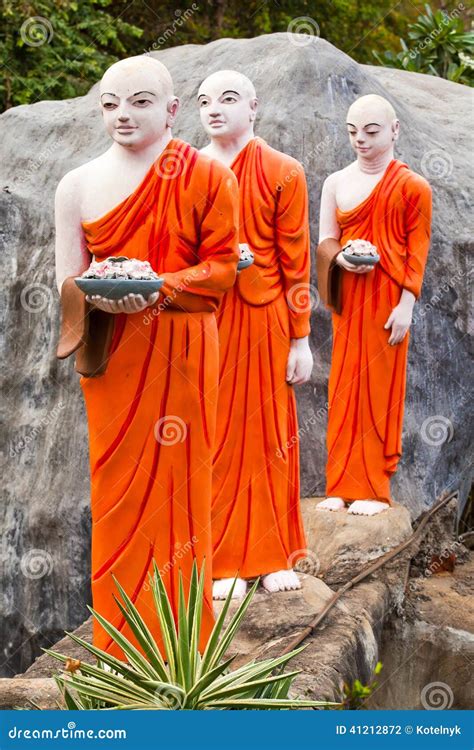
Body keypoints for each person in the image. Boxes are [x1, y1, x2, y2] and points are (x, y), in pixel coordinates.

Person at [55, 55, 239, 657]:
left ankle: (182, 645)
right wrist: (103, 293)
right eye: (110, 104)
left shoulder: (209, 177)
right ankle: (119, 648)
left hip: (181, 348)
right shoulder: (76, 185)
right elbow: (68, 282)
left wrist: (160, 287)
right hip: (112, 355)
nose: (123, 115)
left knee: (184, 488)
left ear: (171, 109)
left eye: (138, 101)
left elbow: (219, 272)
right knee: (117, 493)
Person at [197, 70, 313, 599]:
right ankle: (218, 559)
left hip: (264, 314)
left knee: (269, 433)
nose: (214, 109)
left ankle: (271, 555)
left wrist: (301, 338)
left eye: (226, 99)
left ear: (254, 105)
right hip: (204, 317)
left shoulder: (283, 170)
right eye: (203, 101)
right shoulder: (187, 169)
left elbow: (296, 260)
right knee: (212, 432)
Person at [316, 94, 432, 516]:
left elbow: (417, 249)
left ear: (394, 130)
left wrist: (407, 305)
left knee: (379, 388)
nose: (360, 140)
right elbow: (326, 240)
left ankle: (372, 487)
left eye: (370, 130)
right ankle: (340, 482)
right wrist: (341, 257)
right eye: (352, 131)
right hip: (350, 299)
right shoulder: (336, 182)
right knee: (344, 388)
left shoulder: (412, 186)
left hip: (387, 303)